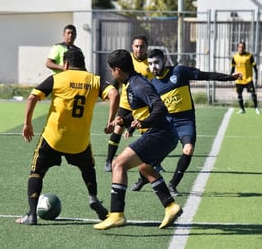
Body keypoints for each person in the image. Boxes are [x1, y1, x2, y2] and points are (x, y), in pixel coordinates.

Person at [16, 49, 119, 225]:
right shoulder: (94, 80)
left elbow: (33, 97)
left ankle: (32, 215)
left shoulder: (58, 78)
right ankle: (93, 197)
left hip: (53, 138)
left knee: (37, 172)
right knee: (88, 168)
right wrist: (111, 121)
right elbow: (114, 94)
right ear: (83, 63)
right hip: (79, 142)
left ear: (65, 64)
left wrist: (27, 123)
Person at [130, 49, 242, 196]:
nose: (153, 67)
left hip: (185, 121)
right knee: (154, 158)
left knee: (188, 149)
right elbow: (143, 110)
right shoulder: (151, 85)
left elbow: (205, 75)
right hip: (166, 124)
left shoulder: (179, 72)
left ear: (164, 61)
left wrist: (229, 78)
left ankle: (173, 184)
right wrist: (130, 124)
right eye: (150, 64)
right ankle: (142, 179)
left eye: (156, 62)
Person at [94, 49, 182, 230]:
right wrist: (126, 121)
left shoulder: (138, 85)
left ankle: (117, 214)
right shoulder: (131, 83)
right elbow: (144, 111)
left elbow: (160, 108)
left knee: (118, 164)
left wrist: (141, 122)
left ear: (117, 70)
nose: (111, 73)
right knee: (145, 166)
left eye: (111, 70)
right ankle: (171, 206)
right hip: (166, 134)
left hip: (160, 133)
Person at [104, 35, 155, 172]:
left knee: (147, 131)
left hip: (142, 104)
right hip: (126, 103)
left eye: (142, 46)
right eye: (136, 46)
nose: (139, 49)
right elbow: (117, 81)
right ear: (132, 47)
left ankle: (153, 161)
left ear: (146, 48)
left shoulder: (150, 63)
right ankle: (109, 160)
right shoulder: (126, 60)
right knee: (118, 129)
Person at [231, 42, 261, 115]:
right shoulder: (235, 57)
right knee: (239, 95)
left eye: (242, 47)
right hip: (239, 80)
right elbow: (232, 68)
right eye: (240, 47)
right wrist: (230, 77)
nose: (241, 48)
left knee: (253, 94)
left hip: (248, 79)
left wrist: (256, 76)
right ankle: (242, 109)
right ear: (237, 48)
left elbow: (254, 67)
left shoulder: (249, 56)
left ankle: (256, 108)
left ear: (245, 48)